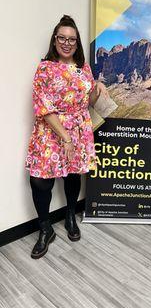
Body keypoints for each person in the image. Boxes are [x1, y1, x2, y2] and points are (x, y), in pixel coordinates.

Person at [26, 15, 107, 259]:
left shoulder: (84, 68)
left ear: (77, 42)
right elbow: (43, 106)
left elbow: (87, 103)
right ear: (55, 39)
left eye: (72, 39)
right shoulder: (45, 68)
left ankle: (71, 215)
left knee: (72, 175)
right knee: (40, 180)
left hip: (79, 130)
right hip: (51, 131)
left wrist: (96, 90)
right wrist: (65, 137)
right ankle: (45, 228)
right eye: (62, 37)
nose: (67, 43)